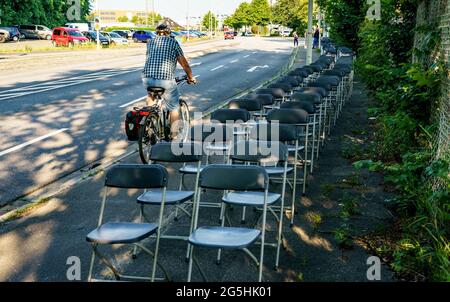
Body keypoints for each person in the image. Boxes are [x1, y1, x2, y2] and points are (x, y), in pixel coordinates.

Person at [142, 24, 196, 138]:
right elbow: (184, 63)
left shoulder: (150, 42)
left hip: (147, 78)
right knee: (173, 107)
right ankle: (174, 136)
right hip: (165, 79)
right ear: (169, 33)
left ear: (156, 33)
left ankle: (150, 124)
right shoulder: (173, 42)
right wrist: (190, 77)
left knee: (151, 96)